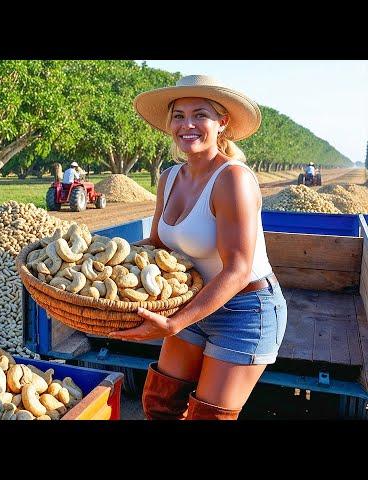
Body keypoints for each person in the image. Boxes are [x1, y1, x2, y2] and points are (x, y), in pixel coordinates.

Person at [108, 75, 287, 420]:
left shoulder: (233, 179)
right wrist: (108, 256)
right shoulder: (170, 178)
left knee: (208, 416)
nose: (187, 125)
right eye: (179, 116)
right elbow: (159, 245)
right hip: (194, 300)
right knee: (160, 404)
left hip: (245, 311)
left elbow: (236, 270)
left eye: (199, 115)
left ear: (222, 123)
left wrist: (174, 324)